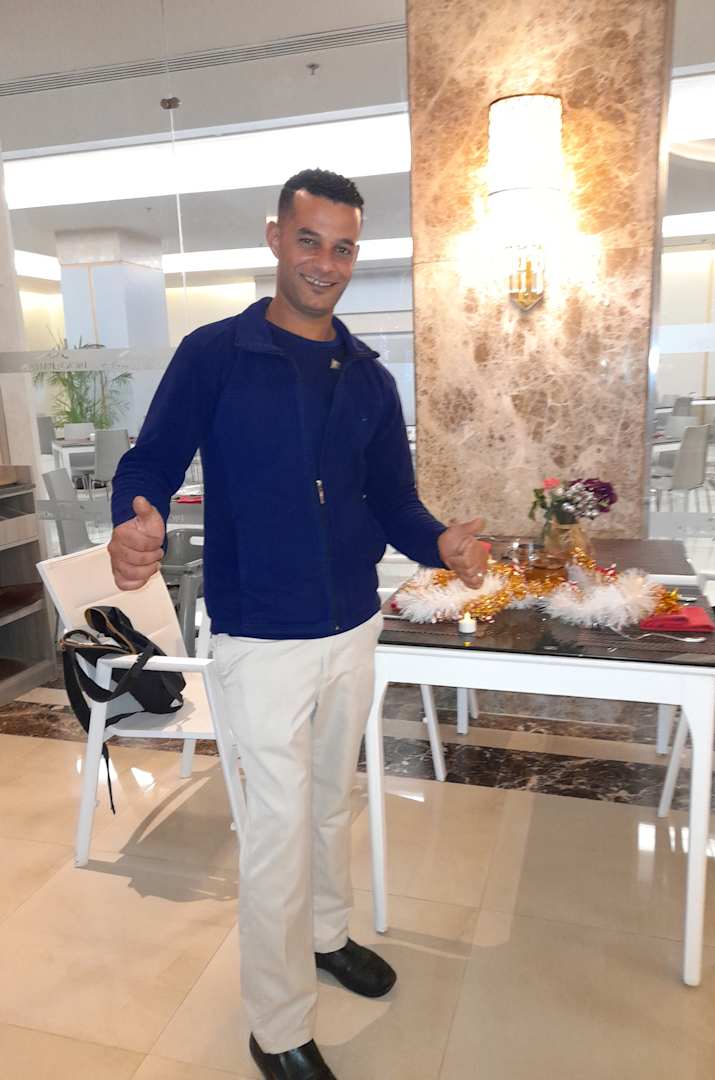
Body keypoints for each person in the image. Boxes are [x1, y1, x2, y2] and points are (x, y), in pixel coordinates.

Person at [108, 168, 488, 1080]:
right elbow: (150, 459)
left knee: (330, 801)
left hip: (352, 626)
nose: (325, 263)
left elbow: (393, 499)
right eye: (309, 240)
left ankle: (325, 935)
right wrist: (134, 517)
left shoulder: (369, 378)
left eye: (343, 247)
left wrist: (441, 540)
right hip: (260, 636)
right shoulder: (215, 354)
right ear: (277, 237)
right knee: (277, 831)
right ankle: (276, 1027)